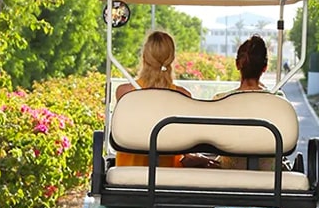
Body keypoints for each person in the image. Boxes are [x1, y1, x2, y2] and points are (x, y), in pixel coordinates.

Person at [115, 30, 218, 168]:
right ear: (172, 59)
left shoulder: (125, 93)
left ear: (144, 57)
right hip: (169, 172)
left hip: (130, 171)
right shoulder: (183, 96)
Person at [213, 35, 279, 170]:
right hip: (270, 173)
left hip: (229, 171)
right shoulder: (279, 101)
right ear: (265, 67)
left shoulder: (220, 100)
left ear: (237, 64)